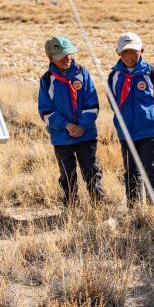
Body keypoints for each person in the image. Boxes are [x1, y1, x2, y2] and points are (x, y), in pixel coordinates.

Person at [37, 35, 105, 205]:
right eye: (62, 56)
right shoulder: (46, 81)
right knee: (67, 174)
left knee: (91, 170)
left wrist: (82, 126)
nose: (67, 59)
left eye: (69, 54)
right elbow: (45, 111)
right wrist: (67, 125)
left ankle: (99, 205)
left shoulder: (83, 74)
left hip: (86, 134)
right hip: (61, 136)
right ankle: (71, 207)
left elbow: (92, 104)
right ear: (51, 58)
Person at [108, 32, 154, 206]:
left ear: (141, 50)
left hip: (150, 131)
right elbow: (112, 101)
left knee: (152, 170)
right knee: (131, 171)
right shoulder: (115, 76)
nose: (129, 56)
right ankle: (133, 207)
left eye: (133, 51)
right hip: (126, 133)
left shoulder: (150, 73)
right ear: (118, 53)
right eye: (125, 52)